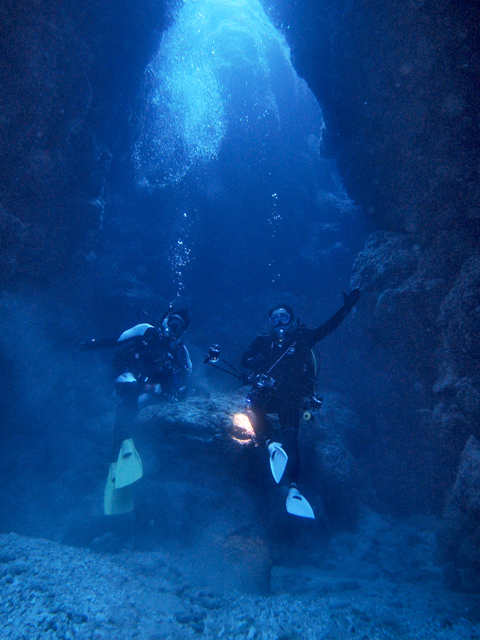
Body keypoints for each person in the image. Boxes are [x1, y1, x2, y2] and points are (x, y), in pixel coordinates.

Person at [241, 290, 360, 519]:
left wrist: (346, 308)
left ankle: (294, 489)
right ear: (270, 323)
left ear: (292, 320)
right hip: (268, 395)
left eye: (283, 318)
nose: (279, 323)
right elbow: (244, 358)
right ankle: (270, 444)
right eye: (274, 319)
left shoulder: (303, 338)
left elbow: (328, 327)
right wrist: (254, 364)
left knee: (291, 437)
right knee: (251, 405)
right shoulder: (263, 341)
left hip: (290, 397)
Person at [79, 307, 192, 515]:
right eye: (172, 322)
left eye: (178, 327)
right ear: (165, 320)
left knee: (143, 403)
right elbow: (116, 340)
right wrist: (89, 344)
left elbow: (184, 381)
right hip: (130, 380)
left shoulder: (180, 353)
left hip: (151, 394)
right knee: (129, 395)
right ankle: (121, 447)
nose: (172, 328)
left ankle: (126, 452)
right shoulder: (146, 330)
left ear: (182, 332)